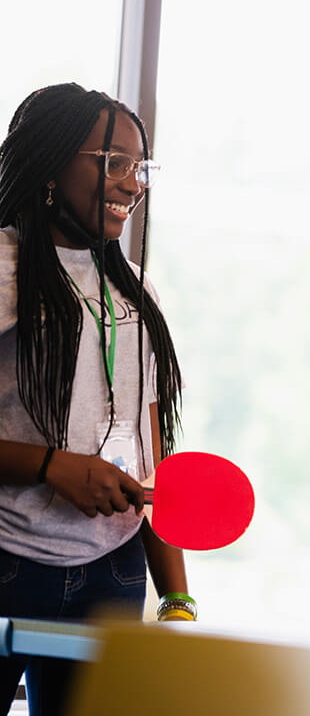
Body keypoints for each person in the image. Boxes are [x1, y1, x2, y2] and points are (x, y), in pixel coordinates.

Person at [0, 84, 194, 715]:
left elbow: (151, 453)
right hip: (9, 562)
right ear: (55, 162)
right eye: (113, 163)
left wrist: (177, 598)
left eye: (139, 168)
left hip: (113, 573)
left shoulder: (136, 292)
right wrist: (54, 466)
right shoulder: (5, 268)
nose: (131, 184)